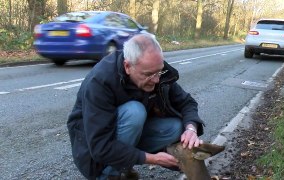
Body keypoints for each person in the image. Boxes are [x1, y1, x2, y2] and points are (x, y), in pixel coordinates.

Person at [67, 33, 205, 180]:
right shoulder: (100, 82)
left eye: (159, 71)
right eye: (149, 74)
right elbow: (100, 146)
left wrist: (191, 128)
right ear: (128, 66)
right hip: (93, 147)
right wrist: (151, 158)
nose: (157, 79)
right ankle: (110, 175)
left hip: (126, 133)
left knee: (176, 126)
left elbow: (187, 102)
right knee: (135, 112)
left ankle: (125, 163)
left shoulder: (156, 69)